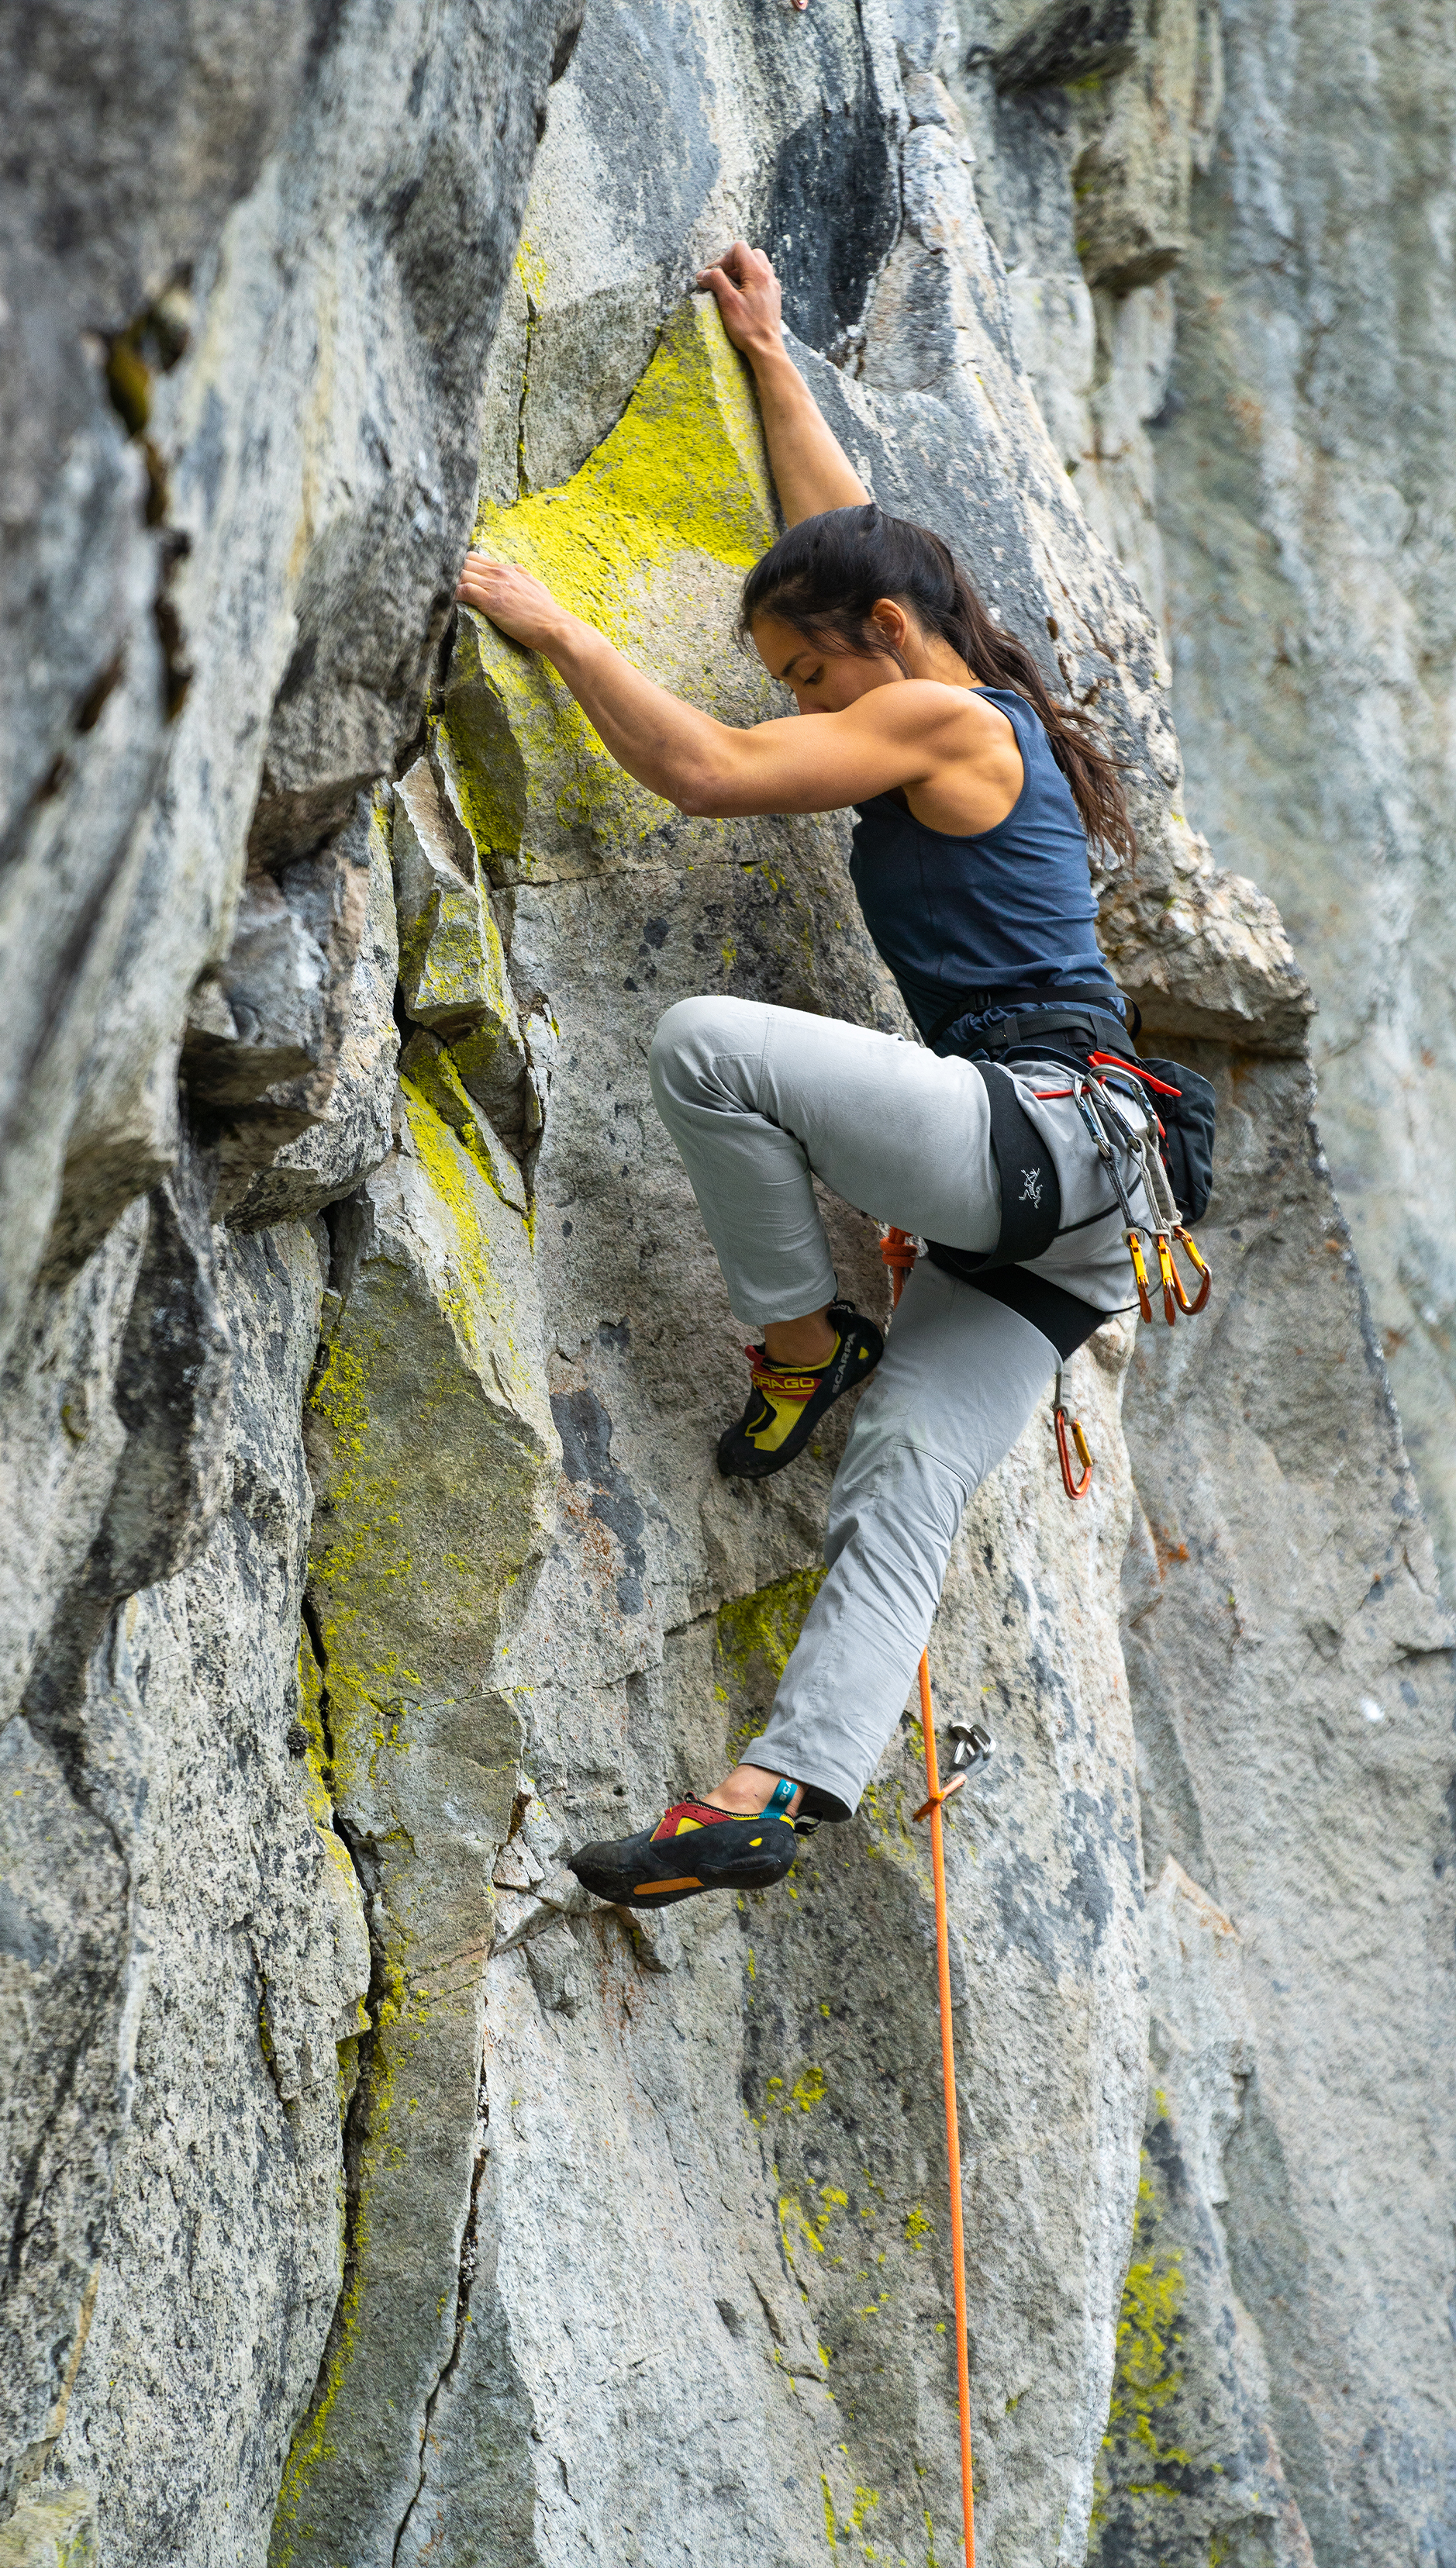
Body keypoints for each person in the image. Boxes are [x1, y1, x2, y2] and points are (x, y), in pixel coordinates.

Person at [454, 241, 1149, 1912]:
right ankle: (775, 1792)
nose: (799, 711)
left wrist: (551, 626)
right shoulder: (953, 681)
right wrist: (767, 359)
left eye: (808, 677)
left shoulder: (946, 717)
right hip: (1077, 1204)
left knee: (708, 1048)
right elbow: (856, 543)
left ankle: (798, 1334)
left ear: (888, 644)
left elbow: (704, 773)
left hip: (1034, 1137)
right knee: (897, 1477)